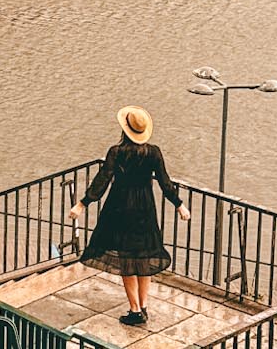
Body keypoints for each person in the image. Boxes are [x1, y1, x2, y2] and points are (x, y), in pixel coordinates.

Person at [68, 106, 187, 328]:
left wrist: (83, 203)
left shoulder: (117, 152)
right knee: (142, 257)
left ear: (125, 129)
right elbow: (165, 182)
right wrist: (179, 204)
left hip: (120, 207)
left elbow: (102, 179)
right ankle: (143, 306)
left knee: (126, 260)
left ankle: (134, 310)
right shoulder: (154, 152)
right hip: (145, 208)